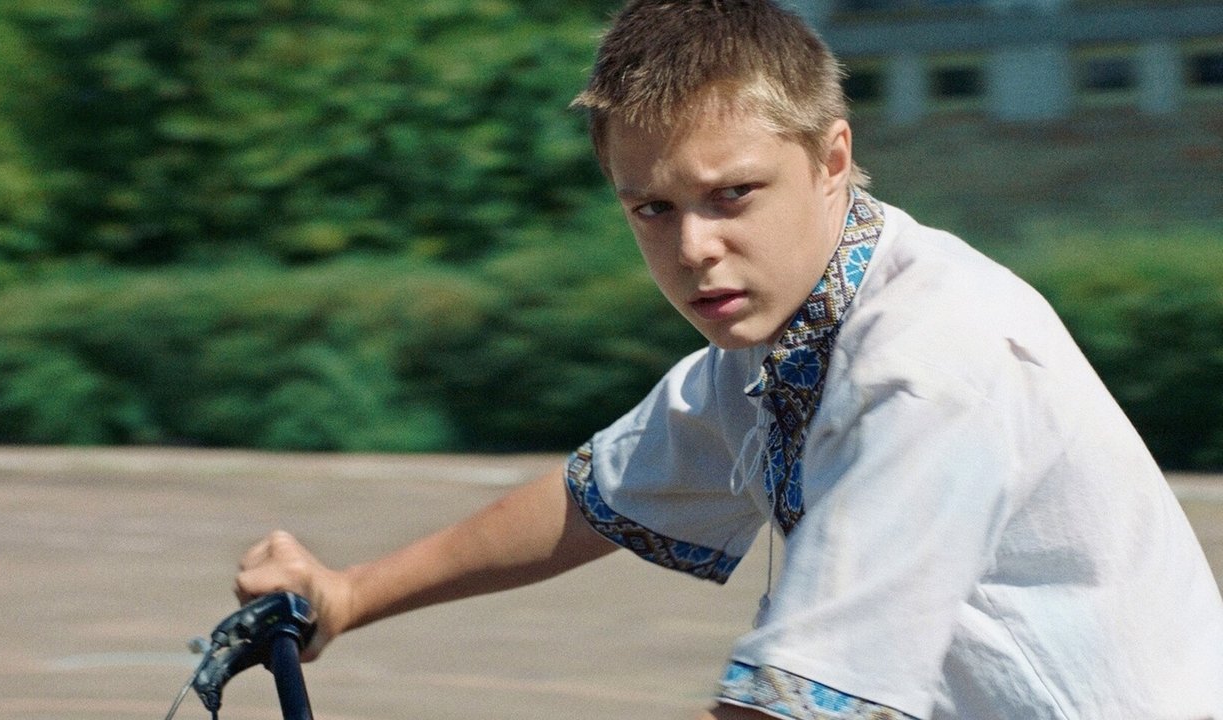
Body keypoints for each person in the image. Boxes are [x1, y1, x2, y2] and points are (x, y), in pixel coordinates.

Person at [234, 1, 1223, 718]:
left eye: (731, 195)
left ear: (830, 158)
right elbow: (594, 498)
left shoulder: (921, 369)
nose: (692, 246)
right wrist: (350, 594)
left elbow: (800, 702)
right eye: (651, 208)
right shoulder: (778, 340)